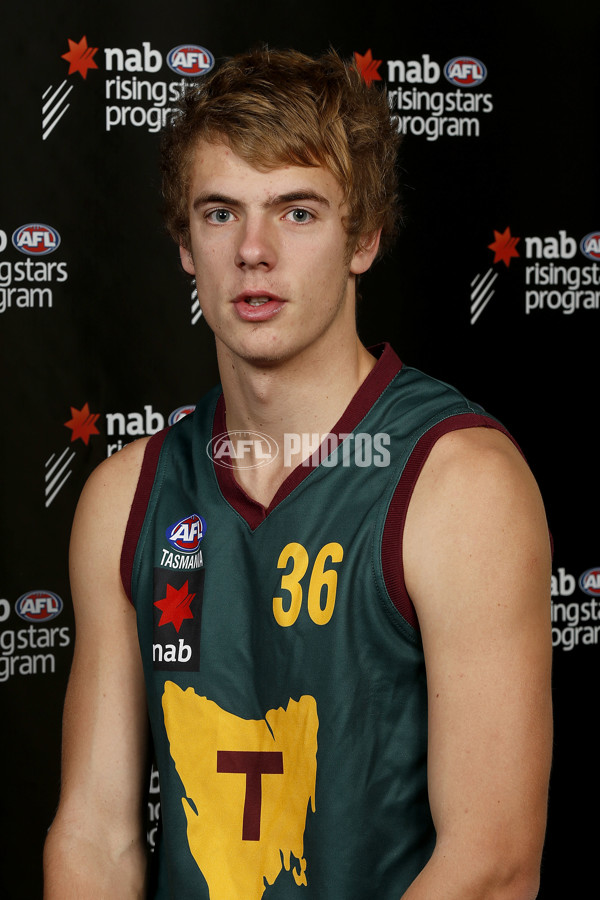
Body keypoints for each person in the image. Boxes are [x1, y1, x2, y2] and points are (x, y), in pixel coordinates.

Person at [43, 47, 552, 899]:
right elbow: (94, 836)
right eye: (219, 213)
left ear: (365, 238)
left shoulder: (458, 484)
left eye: (298, 212)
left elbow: (493, 867)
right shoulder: (124, 496)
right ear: (183, 244)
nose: (253, 250)